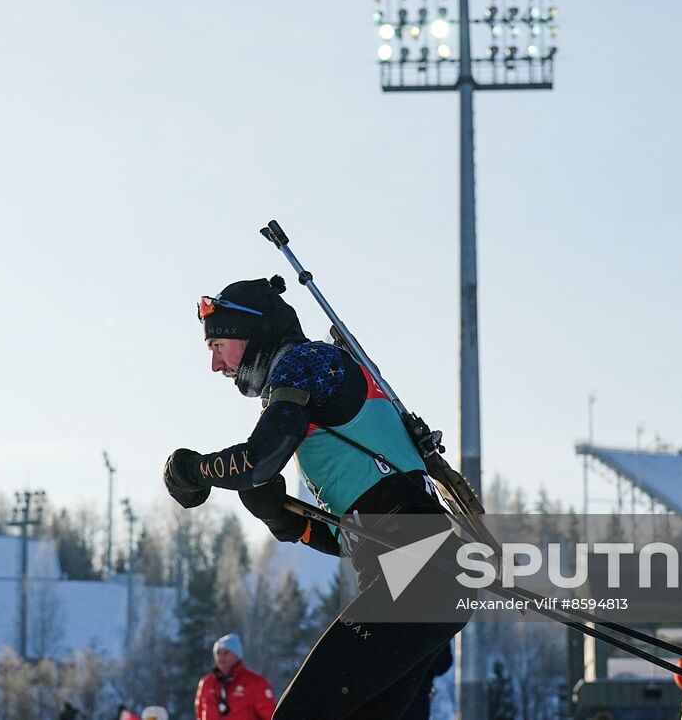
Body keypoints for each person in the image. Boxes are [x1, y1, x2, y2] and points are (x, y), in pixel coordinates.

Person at [164, 277, 470, 720]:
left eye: (217, 345)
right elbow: (354, 536)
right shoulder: (323, 378)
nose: (215, 365)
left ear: (251, 334)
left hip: (419, 572)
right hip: (427, 571)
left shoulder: (304, 361)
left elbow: (260, 459)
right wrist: (288, 523)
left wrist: (192, 470)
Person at [194, 634, 274, 720]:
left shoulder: (256, 683)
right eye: (218, 653)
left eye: (226, 653)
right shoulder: (207, 683)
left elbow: (270, 715)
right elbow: (200, 714)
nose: (221, 658)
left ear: (237, 655)